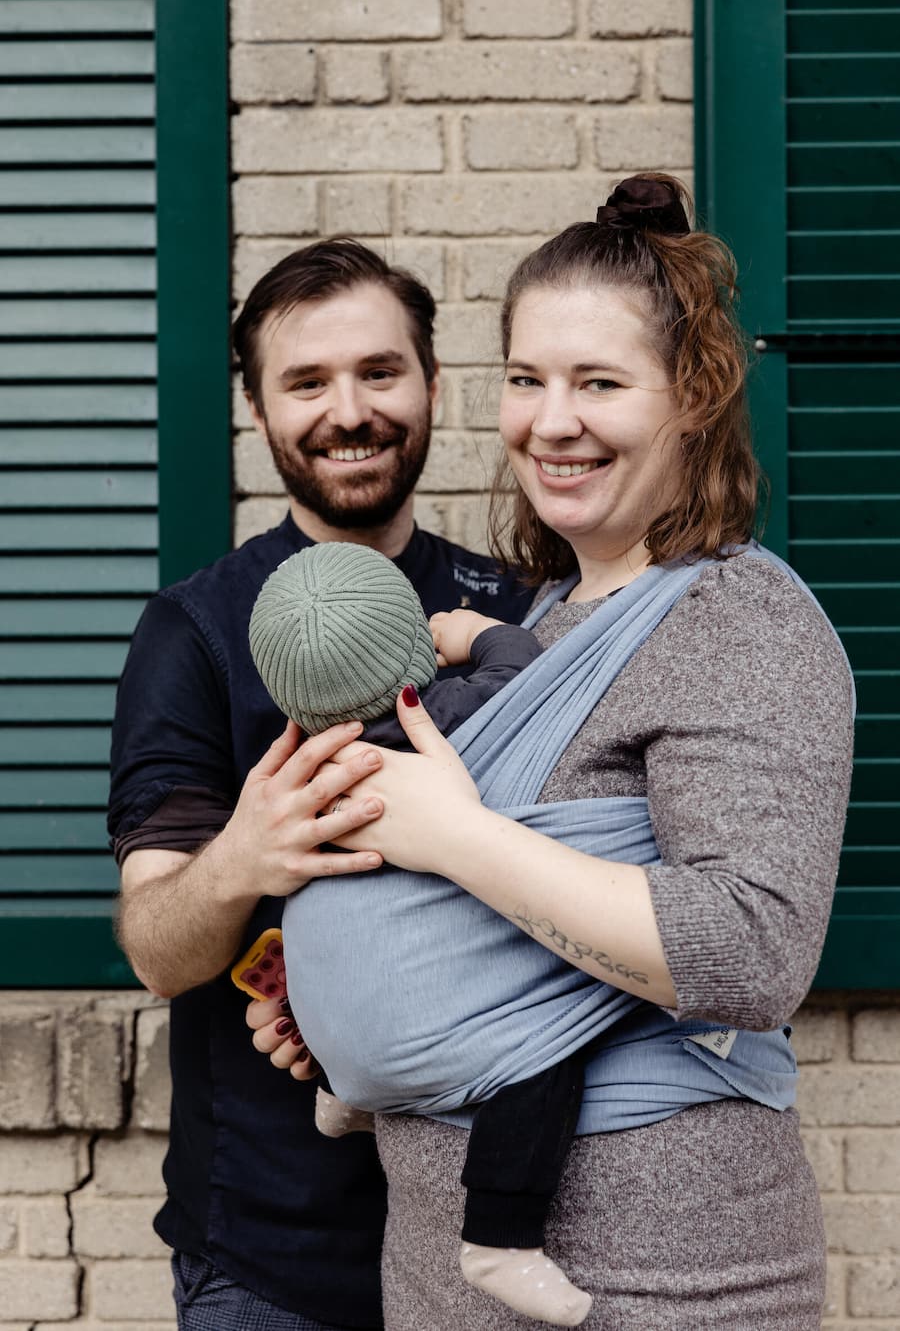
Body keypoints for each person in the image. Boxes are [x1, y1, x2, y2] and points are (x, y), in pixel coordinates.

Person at [249, 175, 855, 1330]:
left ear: (693, 395)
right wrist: (347, 997)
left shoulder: (736, 618)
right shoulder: (551, 618)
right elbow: (505, 949)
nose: (551, 421)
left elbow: (751, 950)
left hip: (660, 1287)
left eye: (598, 383)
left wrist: (456, 838)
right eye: (527, 379)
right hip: (439, 1284)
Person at [106, 239, 532, 1331]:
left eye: (380, 371)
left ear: (433, 384)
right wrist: (245, 853)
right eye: (307, 382)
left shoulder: (517, 612)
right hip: (272, 1258)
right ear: (257, 410)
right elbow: (157, 949)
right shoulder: (194, 630)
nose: (350, 411)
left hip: (504, 1229)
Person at [246, 540, 592, 1325]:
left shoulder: (300, 774)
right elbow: (523, 662)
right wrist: (471, 631)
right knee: (546, 1037)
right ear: (411, 649)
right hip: (430, 1001)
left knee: (327, 945)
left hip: (339, 1017)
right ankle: (500, 1235)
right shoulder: (453, 713)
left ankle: (339, 1090)